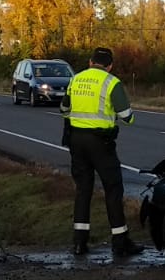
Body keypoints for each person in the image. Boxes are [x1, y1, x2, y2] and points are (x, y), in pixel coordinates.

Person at [61, 47, 143, 257]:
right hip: (101, 142)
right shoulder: (111, 82)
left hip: (76, 141)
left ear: (90, 62)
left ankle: (79, 243)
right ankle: (120, 242)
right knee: (113, 190)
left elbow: (64, 109)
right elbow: (127, 116)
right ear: (110, 66)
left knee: (83, 190)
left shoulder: (75, 79)